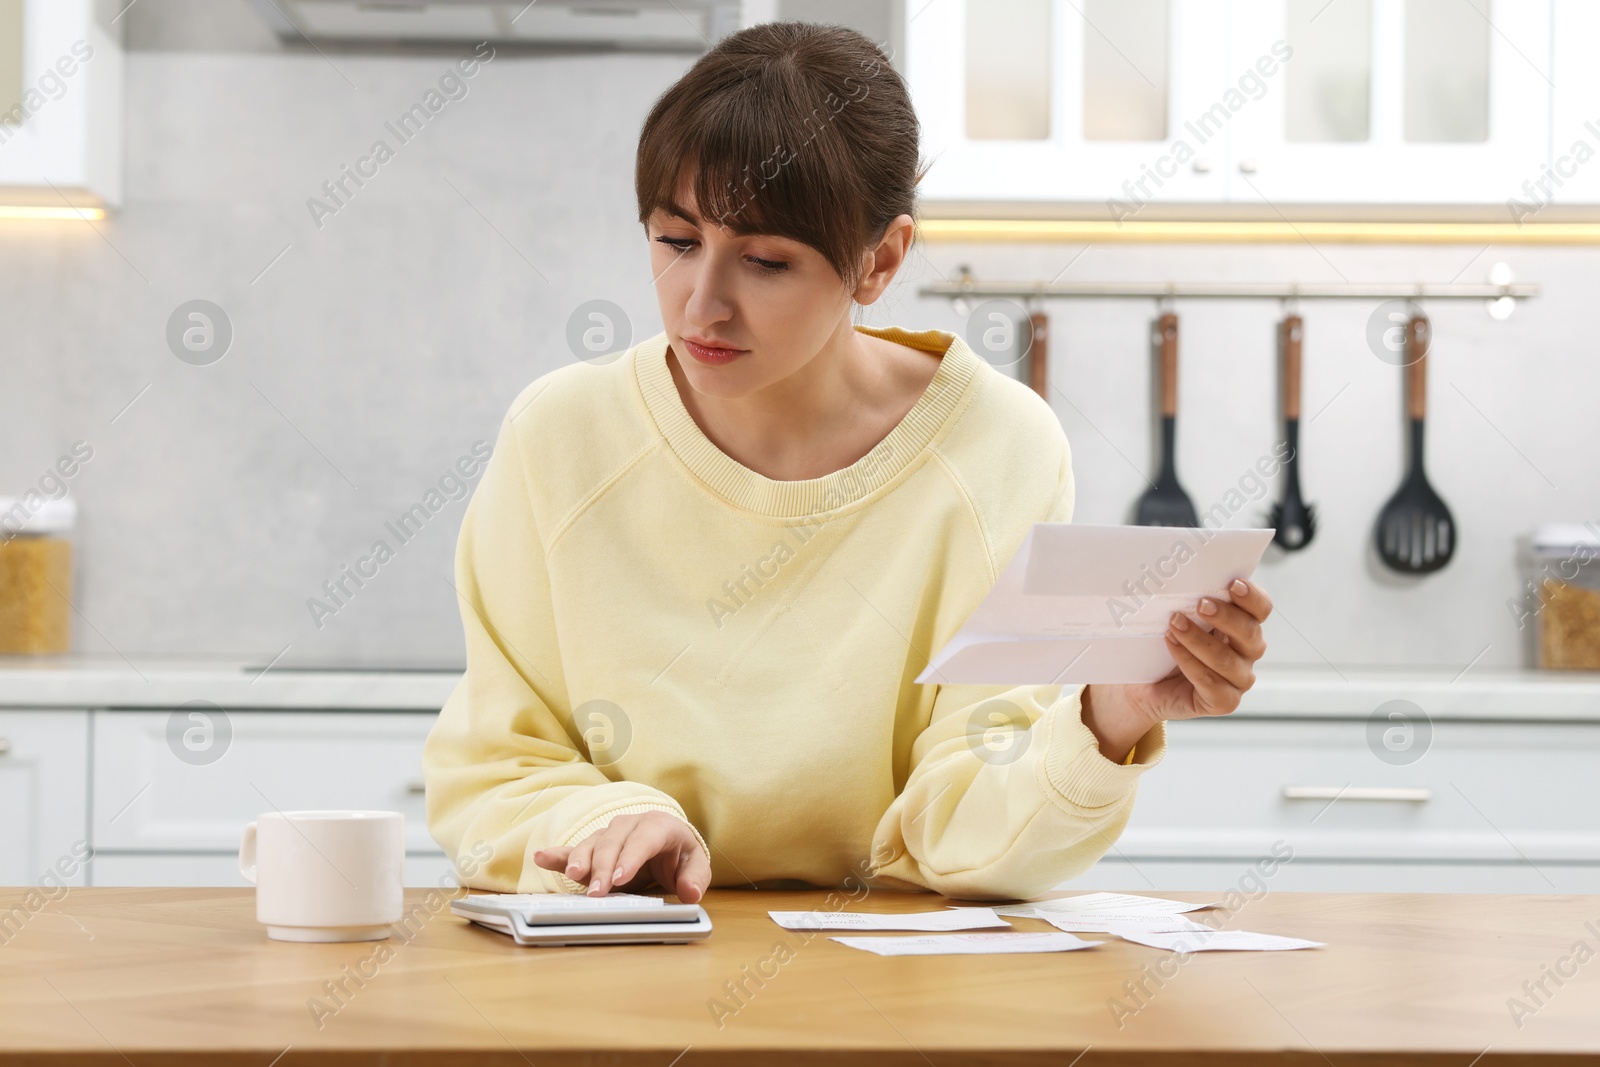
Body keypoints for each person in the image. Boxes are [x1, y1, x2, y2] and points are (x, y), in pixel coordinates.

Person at [422, 21, 1272, 904]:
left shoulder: (999, 446)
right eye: (677, 242)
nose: (700, 306)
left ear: (881, 260)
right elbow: (493, 767)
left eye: (763, 260)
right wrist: (604, 824)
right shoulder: (559, 436)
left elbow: (966, 819)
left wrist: (1111, 714)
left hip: (888, 990)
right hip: (631, 960)